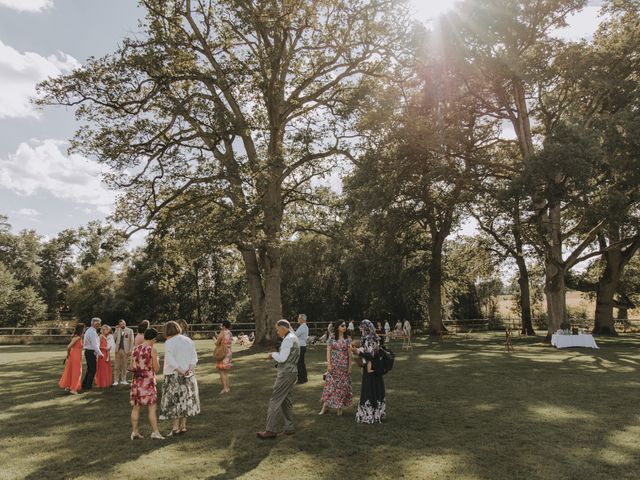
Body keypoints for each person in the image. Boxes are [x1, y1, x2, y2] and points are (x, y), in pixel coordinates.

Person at [257, 319, 300, 439]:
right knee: (286, 400)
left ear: (283, 328)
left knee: (275, 400)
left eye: (277, 329)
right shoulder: (293, 337)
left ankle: (270, 430)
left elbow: (282, 358)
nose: (277, 332)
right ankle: (289, 428)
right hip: (292, 372)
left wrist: (272, 354)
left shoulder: (288, 339)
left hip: (286, 373)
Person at [159, 321, 200, 436]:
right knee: (185, 399)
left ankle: (176, 427)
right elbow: (194, 357)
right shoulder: (188, 340)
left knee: (174, 401)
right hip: (188, 374)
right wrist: (190, 369)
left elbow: (171, 360)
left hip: (173, 375)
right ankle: (183, 426)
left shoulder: (169, 342)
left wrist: (181, 371)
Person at [130, 328, 164, 440]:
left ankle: (134, 432)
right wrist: (157, 359)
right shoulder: (152, 350)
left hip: (136, 381)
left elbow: (132, 366)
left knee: (136, 408)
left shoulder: (135, 348)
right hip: (148, 382)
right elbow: (157, 368)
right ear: (153, 339)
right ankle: (155, 432)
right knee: (152, 408)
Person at [319, 320, 353, 416]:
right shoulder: (332, 337)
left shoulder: (348, 339)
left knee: (342, 387)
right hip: (334, 366)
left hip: (344, 366)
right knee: (330, 386)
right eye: (342, 325)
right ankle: (325, 407)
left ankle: (339, 408)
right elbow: (328, 352)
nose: (344, 327)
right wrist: (329, 364)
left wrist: (350, 367)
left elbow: (350, 355)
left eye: (345, 325)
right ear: (337, 327)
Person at [355, 319, 386, 424]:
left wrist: (358, 351)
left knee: (369, 391)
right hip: (376, 369)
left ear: (365, 328)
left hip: (370, 370)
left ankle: (368, 415)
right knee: (376, 390)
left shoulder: (368, 338)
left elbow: (369, 355)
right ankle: (377, 414)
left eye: (361, 327)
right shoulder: (375, 337)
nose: (360, 328)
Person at [58, 323, 85, 394]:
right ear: (81, 329)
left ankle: (68, 386)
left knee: (71, 371)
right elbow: (68, 346)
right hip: (75, 355)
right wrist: (68, 354)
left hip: (75, 355)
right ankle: (73, 389)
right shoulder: (77, 337)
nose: (85, 330)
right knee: (77, 372)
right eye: (84, 328)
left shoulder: (78, 336)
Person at [81, 317, 103, 391]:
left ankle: (84, 384)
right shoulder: (92, 332)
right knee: (93, 369)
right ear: (94, 323)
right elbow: (94, 344)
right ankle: (88, 386)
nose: (100, 324)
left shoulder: (89, 330)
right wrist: (100, 353)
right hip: (91, 352)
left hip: (88, 351)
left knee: (89, 369)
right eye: (98, 323)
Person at [113, 319, 134, 385]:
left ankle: (123, 380)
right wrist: (116, 331)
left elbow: (132, 341)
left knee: (124, 366)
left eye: (124, 323)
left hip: (126, 350)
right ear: (119, 325)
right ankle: (116, 380)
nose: (123, 325)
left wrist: (131, 350)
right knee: (117, 366)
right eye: (121, 324)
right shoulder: (117, 330)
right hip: (117, 350)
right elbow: (113, 338)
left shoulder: (130, 330)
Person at [215, 320, 233, 394]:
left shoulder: (222, 332)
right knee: (225, 372)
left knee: (221, 371)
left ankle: (225, 388)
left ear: (224, 326)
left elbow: (217, 343)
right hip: (229, 352)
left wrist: (214, 338)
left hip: (222, 353)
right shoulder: (230, 333)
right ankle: (227, 387)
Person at [295, 314, 309, 384]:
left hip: (300, 346)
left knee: (299, 363)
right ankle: (304, 378)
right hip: (302, 346)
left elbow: (295, 335)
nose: (298, 319)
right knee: (302, 363)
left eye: (299, 318)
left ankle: (301, 379)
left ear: (302, 319)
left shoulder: (302, 327)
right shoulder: (304, 326)